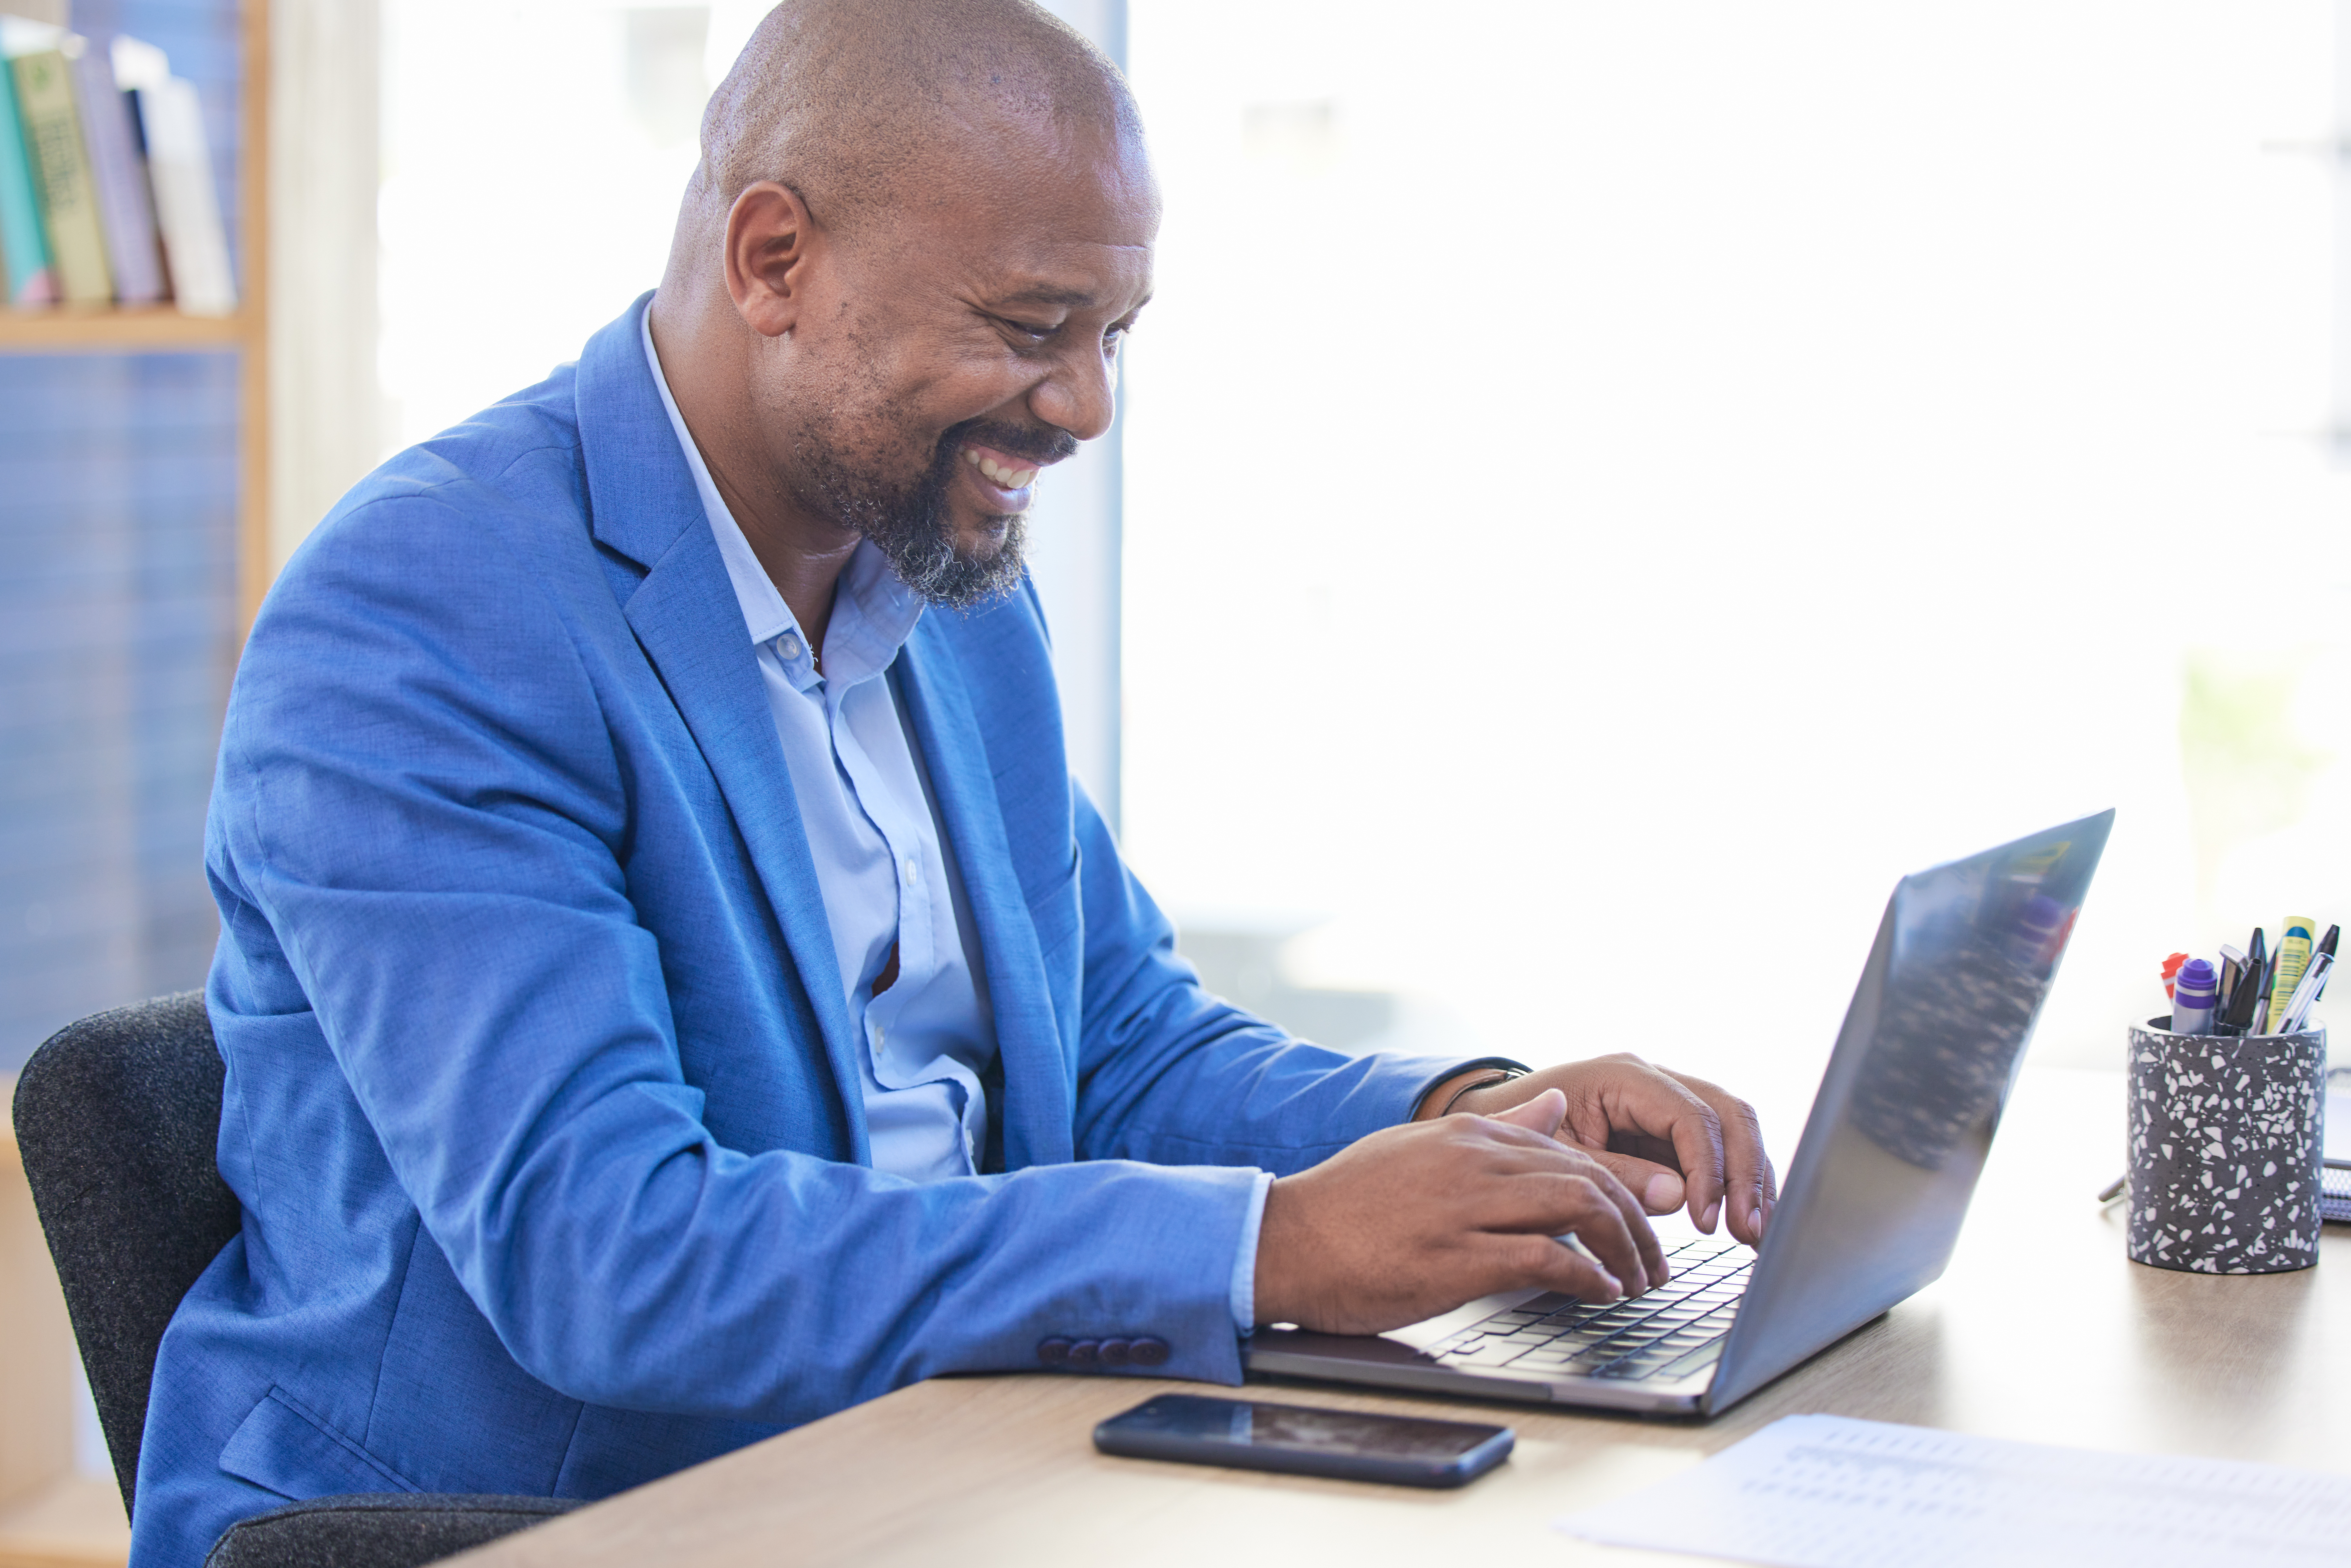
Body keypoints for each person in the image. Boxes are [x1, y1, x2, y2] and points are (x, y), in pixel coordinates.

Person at [133, 2, 1777, 1560]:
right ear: (775, 258)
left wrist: (1474, 1124)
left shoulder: (948, 583)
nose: (1083, 406)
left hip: (938, 1462)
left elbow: (1116, 1038)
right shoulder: (433, 612)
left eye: (1112, 334)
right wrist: (1267, 1245)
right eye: (1027, 329)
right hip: (537, 1520)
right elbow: (606, 1254)